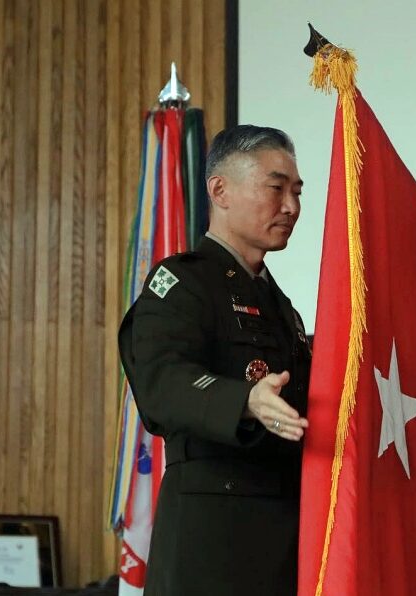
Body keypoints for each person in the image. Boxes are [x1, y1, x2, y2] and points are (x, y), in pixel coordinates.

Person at [118, 125, 312, 595]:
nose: (291, 206)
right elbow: (162, 383)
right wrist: (244, 400)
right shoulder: (182, 284)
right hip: (214, 549)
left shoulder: (279, 304)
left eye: (297, 191)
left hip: (286, 545)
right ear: (220, 190)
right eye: (276, 188)